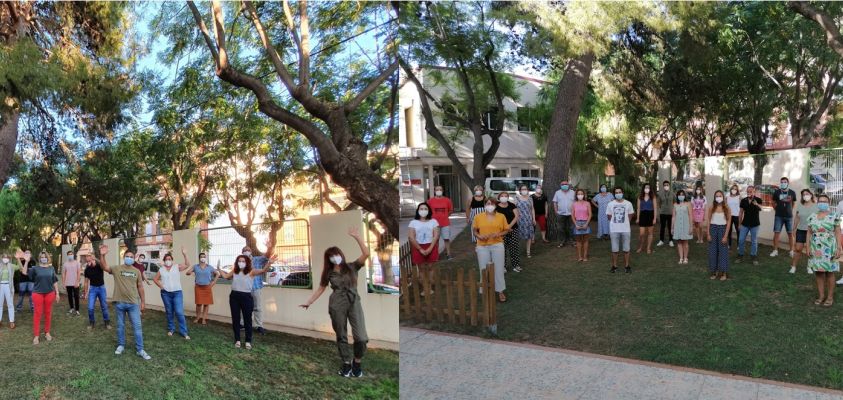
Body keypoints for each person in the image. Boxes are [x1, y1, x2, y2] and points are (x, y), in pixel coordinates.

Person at [300, 227, 371, 378]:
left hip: (353, 301)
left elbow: (366, 254)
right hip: (337, 303)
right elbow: (321, 288)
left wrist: (357, 236)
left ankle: (357, 362)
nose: (335, 258)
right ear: (329, 259)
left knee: (361, 337)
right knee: (341, 334)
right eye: (331, 256)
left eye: (336, 254)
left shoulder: (352, 267)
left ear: (341, 254)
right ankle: (346, 362)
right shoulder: (328, 273)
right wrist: (309, 302)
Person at [98, 244, 151, 360]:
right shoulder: (117, 269)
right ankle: (121, 345)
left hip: (133, 303)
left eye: (131, 256)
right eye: (127, 256)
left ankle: (140, 349)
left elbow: (140, 287)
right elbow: (104, 267)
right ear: (124, 257)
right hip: (120, 303)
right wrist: (102, 255)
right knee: (120, 326)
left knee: (137, 327)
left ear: (134, 258)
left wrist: (143, 302)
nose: (129, 258)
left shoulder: (137, 271)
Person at [217, 253, 272, 350]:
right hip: (234, 296)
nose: (241, 263)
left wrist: (269, 263)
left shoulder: (251, 271)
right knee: (236, 319)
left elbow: (263, 270)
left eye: (243, 261)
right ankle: (237, 339)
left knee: (247, 320)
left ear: (247, 262)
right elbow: (225, 276)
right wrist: (219, 269)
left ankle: (248, 341)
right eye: (239, 261)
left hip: (246, 297)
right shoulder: (235, 271)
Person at [471, 198, 509, 302]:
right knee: (483, 269)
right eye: (488, 204)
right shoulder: (478, 216)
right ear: (484, 205)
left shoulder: (501, 216)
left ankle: (500, 291)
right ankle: (484, 290)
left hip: (497, 245)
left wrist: (499, 234)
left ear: (496, 205)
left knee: (499, 268)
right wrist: (479, 236)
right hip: (482, 246)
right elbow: (475, 230)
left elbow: (506, 230)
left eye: (492, 204)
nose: (490, 205)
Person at [807, 195, 840, 307]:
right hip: (816, 248)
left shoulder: (834, 216)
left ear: (828, 202)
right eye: (820, 201)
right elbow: (809, 232)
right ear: (817, 203)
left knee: (829, 272)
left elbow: (838, 232)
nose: (822, 203)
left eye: (825, 201)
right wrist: (807, 247)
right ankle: (821, 296)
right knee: (819, 272)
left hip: (830, 248)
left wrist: (839, 248)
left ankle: (830, 297)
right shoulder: (812, 216)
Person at [152, 248, 192, 340]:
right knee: (169, 312)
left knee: (179, 312)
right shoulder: (161, 269)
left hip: (177, 292)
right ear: (164, 261)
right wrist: (161, 286)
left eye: (169, 259)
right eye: (166, 259)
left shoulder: (176, 267)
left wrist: (185, 254)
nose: (168, 261)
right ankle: (171, 329)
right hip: (165, 294)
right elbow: (155, 279)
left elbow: (187, 265)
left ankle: (184, 332)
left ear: (172, 260)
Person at [241, 244, 276, 335]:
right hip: (245, 289)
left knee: (257, 307)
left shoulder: (257, 260)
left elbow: (267, 256)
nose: (246, 251)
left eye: (248, 249)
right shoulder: (241, 262)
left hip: (256, 287)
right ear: (242, 252)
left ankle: (258, 326)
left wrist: (269, 246)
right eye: (244, 250)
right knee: (244, 307)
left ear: (251, 252)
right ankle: (243, 324)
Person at [27, 251, 60, 345]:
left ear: (48, 258)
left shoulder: (51, 268)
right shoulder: (35, 268)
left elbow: (55, 281)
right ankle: (36, 336)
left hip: (50, 293)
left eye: (45, 256)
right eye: (42, 257)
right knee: (37, 314)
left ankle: (47, 332)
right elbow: (26, 273)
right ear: (39, 258)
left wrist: (57, 293)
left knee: (48, 313)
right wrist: (25, 262)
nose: (43, 258)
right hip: (37, 294)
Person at [408, 202, 439, 294]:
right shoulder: (413, 223)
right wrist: (420, 249)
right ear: (418, 211)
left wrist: (430, 248)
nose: (423, 211)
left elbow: (436, 236)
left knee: (430, 267)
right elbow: (411, 237)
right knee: (421, 269)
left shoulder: (433, 222)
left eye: (425, 209)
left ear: (428, 211)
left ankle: (429, 286)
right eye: (421, 209)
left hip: (431, 245)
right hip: (418, 247)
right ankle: (424, 287)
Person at [607, 187, 635, 273]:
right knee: (615, 249)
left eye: (619, 192)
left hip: (625, 229)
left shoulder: (628, 204)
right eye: (616, 192)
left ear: (622, 193)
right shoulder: (610, 204)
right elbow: (609, 216)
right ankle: (614, 266)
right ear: (614, 194)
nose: (618, 194)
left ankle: (627, 266)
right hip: (614, 229)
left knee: (626, 248)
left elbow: (630, 214)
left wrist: (625, 223)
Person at [187, 252, 219, 325]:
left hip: (207, 287)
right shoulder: (195, 266)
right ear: (199, 258)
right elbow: (187, 273)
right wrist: (190, 272)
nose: (203, 258)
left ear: (206, 258)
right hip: (198, 287)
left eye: (204, 256)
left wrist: (213, 282)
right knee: (198, 304)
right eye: (201, 256)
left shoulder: (209, 267)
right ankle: (198, 317)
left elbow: (217, 274)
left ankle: (204, 319)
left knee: (206, 304)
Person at [792, 189, 818, 274]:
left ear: (811, 195)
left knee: (810, 249)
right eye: (803, 194)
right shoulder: (800, 205)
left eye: (807, 194)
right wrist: (794, 228)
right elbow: (797, 217)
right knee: (798, 248)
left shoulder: (816, 206)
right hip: (801, 230)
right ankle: (793, 266)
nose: (805, 196)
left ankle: (809, 267)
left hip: (812, 231)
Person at [82, 252, 110, 330]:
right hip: (93, 289)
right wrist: (85, 292)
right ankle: (92, 323)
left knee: (104, 306)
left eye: (89, 256)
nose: (88, 259)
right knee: (90, 308)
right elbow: (86, 281)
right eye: (87, 257)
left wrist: (96, 259)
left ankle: (107, 322)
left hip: (101, 288)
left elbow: (104, 265)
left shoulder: (99, 266)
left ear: (93, 258)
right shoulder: (87, 269)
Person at [737, 186, 763, 265]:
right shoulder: (743, 200)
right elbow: (741, 212)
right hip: (745, 224)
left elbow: (761, 208)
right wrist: (739, 224)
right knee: (741, 240)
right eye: (748, 191)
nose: (749, 193)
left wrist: (756, 204)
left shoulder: (758, 200)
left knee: (754, 241)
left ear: (754, 192)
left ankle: (753, 256)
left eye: (751, 191)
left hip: (755, 224)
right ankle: (740, 255)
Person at [707, 191, 730, 280]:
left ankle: (724, 273)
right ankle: (714, 271)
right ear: (714, 197)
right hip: (713, 229)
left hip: (723, 229)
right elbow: (709, 221)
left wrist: (725, 236)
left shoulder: (727, 208)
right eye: (717, 196)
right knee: (713, 252)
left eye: (720, 196)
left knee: (723, 252)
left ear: (723, 197)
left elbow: (728, 223)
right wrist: (708, 233)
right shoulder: (711, 207)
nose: (718, 197)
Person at [496, 192, 522, 272]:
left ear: (508, 197)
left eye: (506, 196)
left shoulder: (512, 205)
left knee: (514, 248)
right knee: (502, 250)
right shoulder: (496, 207)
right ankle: (503, 266)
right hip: (501, 231)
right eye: (502, 196)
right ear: (499, 197)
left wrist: (508, 227)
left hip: (513, 229)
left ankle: (516, 265)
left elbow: (516, 216)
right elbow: (495, 219)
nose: (504, 197)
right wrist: (505, 228)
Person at [771, 177, 797, 257]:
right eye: (782, 182)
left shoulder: (792, 192)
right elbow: (773, 202)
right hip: (778, 216)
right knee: (776, 233)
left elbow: (793, 203)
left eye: (785, 182)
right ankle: (775, 250)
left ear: (788, 183)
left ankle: (791, 251)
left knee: (790, 234)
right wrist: (777, 209)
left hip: (789, 217)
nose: (783, 183)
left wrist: (790, 210)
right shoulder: (777, 192)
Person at [428, 185, 454, 260]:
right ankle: (436, 255)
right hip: (434, 225)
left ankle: (449, 254)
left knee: (446, 239)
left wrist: (445, 216)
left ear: (442, 191)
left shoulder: (447, 200)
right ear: (435, 191)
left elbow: (451, 210)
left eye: (440, 189)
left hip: (445, 223)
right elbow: (427, 211)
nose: (439, 191)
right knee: (436, 240)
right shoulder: (430, 201)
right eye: (437, 189)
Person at [636, 183, 658, 254]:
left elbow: (655, 208)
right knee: (641, 233)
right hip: (642, 215)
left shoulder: (653, 197)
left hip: (650, 215)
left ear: (650, 189)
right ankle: (640, 247)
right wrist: (638, 218)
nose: (647, 189)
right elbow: (638, 208)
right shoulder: (640, 197)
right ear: (643, 188)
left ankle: (648, 248)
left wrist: (654, 218)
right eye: (645, 187)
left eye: (648, 187)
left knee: (650, 233)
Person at [514, 185, 536, 258]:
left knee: (529, 236)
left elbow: (532, 209)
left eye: (525, 189)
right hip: (519, 220)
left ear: (528, 190)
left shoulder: (530, 199)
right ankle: (516, 251)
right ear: (520, 190)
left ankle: (528, 252)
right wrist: (515, 219)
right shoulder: (517, 198)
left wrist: (534, 219)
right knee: (518, 236)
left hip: (528, 219)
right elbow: (514, 209)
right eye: (522, 189)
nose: (524, 190)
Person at [672, 190, 693, 264]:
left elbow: (690, 216)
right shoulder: (675, 205)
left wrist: (691, 227)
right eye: (679, 194)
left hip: (686, 225)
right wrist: (672, 227)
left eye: (682, 194)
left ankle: (685, 258)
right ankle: (681, 258)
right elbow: (673, 216)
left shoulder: (688, 204)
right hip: (677, 225)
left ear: (685, 196)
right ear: (677, 196)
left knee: (685, 242)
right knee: (679, 242)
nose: (681, 196)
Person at [0, 253, 20, 329]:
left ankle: (11, 321)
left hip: (8, 286)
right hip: (0, 286)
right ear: (1, 258)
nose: (5, 258)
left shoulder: (11, 266)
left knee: (10, 304)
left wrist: (18, 259)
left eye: (7, 257)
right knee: (0, 304)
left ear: (9, 258)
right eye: (4, 257)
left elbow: (19, 267)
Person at [553, 181, 576, 247]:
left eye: (566, 184)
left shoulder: (573, 192)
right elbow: (555, 202)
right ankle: (562, 241)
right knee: (560, 228)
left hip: (571, 213)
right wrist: (556, 212)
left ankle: (572, 241)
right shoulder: (557, 192)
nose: (564, 185)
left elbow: (575, 202)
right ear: (560, 185)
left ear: (568, 185)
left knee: (572, 228)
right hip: (560, 214)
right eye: (563, 184)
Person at [572, 188, 592, 262]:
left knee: (586, 240)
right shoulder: (574, 204)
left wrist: (586, 224)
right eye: (578, 194)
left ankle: (585, 256)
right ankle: (580, 256)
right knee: (578, 241)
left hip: (585, 222)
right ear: (576, 195)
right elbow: (572, 215)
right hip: (577, 223)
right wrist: (575, 224)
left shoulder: (587, 203)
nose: (580, 195)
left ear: (584, 195)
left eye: (581, 194)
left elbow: (590, 214)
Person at [62, 250, 82, 316]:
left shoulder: (77, 263)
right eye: (69, 254)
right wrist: (63, 283)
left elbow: (79, 273)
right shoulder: (65, 264)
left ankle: (77, 310)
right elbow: (64, 274)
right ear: (67, 256)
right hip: (68, 283)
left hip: (75, 283)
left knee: (76, 296)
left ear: (73, 255)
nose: (70, 255)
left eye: (71, 254)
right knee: (70, 296)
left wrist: (77, 282)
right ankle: (71, 308)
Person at [657, 181, 674, 247]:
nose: (666, 186)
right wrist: (660, 210)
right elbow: (659, 203)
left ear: (669, 186)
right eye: (665, 185)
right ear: (663, 186)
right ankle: (661, 240)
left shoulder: (672, 194)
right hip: (663, 213)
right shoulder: (660, 194)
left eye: (667, 185)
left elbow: (675, 202)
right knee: (662, 227)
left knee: (670, 227)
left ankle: (671, 240)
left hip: (670, 213)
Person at [726, 184, 742, 249]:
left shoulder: (739, 197)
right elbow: (725, 206)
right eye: (733, 189)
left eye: (735, 189)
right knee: (729, 231)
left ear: (737, 190)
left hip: (737, 216)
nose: (734, 190)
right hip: (730, 216)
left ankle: (739, 244)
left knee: (738, 231)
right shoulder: (727, 197)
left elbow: (741, 208)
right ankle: (729, 244)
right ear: (731, 189)